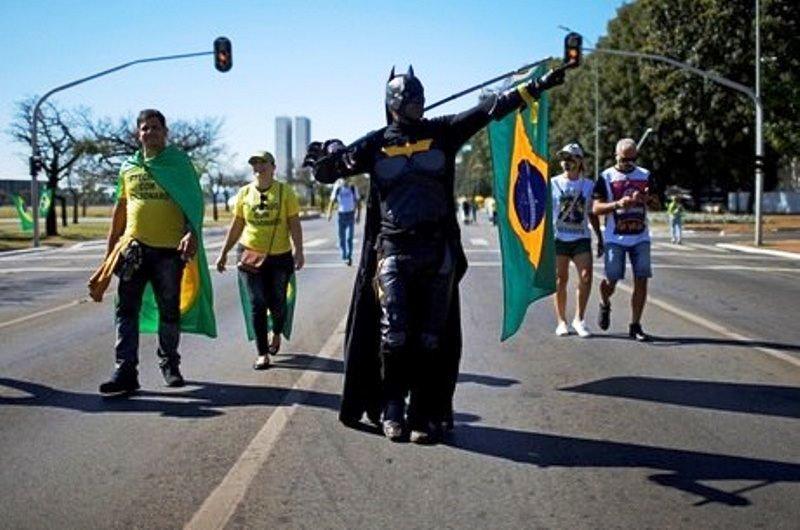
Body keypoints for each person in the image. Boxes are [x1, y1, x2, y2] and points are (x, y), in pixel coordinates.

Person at [303, 64, 566, 443]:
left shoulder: (442, 131)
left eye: (420, 96)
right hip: (394, 250)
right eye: (410, 98)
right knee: (394, 335)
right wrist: (332, 151)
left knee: (430, 337)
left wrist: (536, 85)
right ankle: (392, 408)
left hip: (437, 250)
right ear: (394, 103)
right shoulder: (374, 144)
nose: (418, 102)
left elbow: (491, 108)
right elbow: (328, 172)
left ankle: (423, 414)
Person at [89, 109, 217, 395]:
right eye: (145, 128)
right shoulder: (127, 168)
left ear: (165, 132)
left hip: (168, 253)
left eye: (156, 128)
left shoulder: (178, 164)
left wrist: (190, 232)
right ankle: (125, 371)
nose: (150, 133)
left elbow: (192, 203)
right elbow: (120, 211)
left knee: (169, 312)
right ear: (138, 134)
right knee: (126, 310)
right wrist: (109, 254)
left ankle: (170, 364)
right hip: (133, 250)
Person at [215, 151, 304, 370]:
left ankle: (277, 331)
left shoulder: (285, 192)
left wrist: (299, 251)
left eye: (263, 163)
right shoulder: (244, 193)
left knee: (278, 302)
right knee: (256, 302)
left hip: (279, 257)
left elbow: (293, 223)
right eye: (254, 163)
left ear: (273, 167)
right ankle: (262, 353)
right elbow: (237, 225)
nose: (258, 167)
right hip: (250, 255)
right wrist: (224, 252)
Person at [592, 138, 659, 342]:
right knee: (611, 280)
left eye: (632, 160)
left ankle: (635, 324)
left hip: (640, 236)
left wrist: (646, 200)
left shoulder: (645, 175)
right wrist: (618, 204)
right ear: (616, 156)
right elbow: (595, 208)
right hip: (616, 237)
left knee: (642, 278)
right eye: (624, 160)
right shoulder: (606, 177)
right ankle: (605, 302)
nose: (628, 164)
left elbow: (656, 204)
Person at [551, 142, 604, 338]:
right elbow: (546, 214)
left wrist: (599, 237)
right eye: (563, 158)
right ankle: (561, 321)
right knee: (560, 279)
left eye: (571, 158)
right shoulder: (553, 183)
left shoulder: (589, 185)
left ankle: (579, 319)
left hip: (580, 237)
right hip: (559, 238)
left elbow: (592, 213)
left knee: (586, 277)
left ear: (580, 161)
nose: (566, 162)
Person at [327, 177, 360, 266]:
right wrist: (329, 213)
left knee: (349, 237)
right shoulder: (338, 187)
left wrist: (358, 215)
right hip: (341, 215)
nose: (345, 180)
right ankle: (344, 256)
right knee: (341, 238)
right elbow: (332, 201)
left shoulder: (353, 187)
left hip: (350, 214)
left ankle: (349, 257)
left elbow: (357, 201)